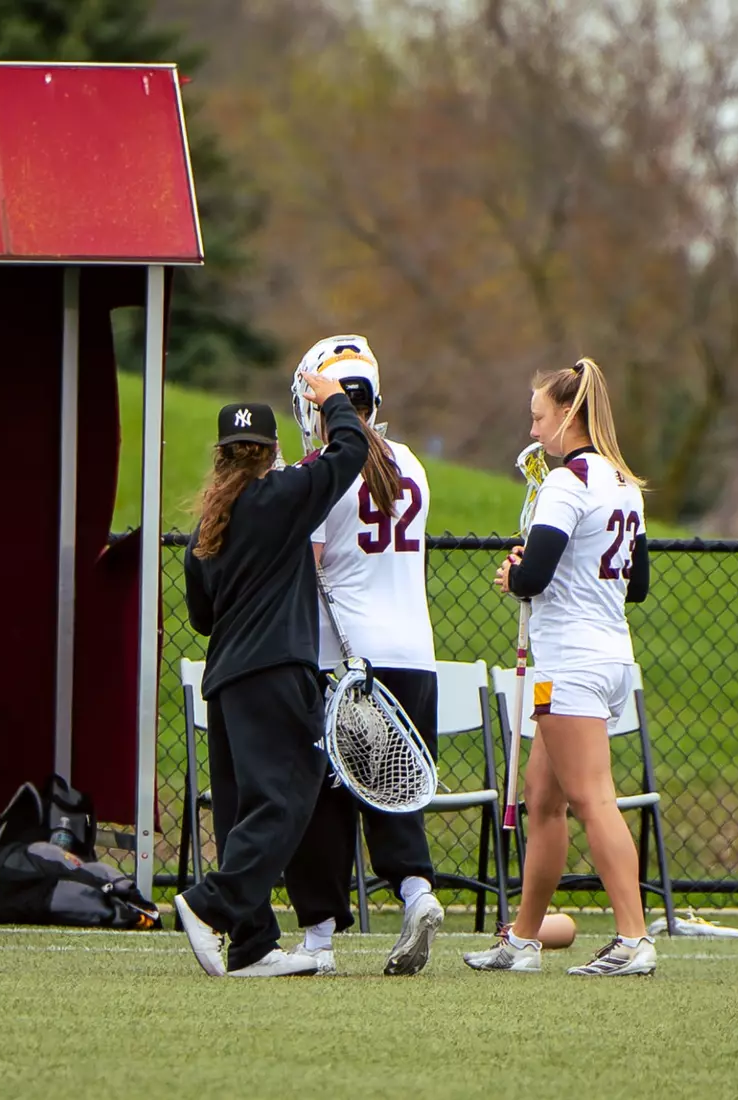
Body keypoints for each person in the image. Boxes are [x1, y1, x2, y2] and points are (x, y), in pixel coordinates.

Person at [173, 373, 370, 978]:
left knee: (241, 809)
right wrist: (334, 397)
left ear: (221, 455)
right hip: (276, 670)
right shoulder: (283, 495)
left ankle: (253, 944)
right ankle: (211, 905)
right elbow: (352, 450)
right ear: (270, 450)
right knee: (289, 794)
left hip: (226, 682)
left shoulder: (206, 528)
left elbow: (203, 619)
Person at [464, 358, 654, 977]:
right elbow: (639, 583)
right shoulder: (623, 483)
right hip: (606, 655)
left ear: (568, 415)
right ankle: (522, 939)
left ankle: (633, 938)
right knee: (543, 802)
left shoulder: (567, 483)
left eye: (539, 416)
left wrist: (513, 575)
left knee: (594, 799)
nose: (533, 427)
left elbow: (535, 573)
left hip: (571, 661)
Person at [277, 335, 445, 977]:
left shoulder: (324, 469)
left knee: (321, 800)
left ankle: (318, 940)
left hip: (345, 661)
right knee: (392, 793)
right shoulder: (413, 464)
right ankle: (416, 893)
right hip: (415, 657)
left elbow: (306, 565)